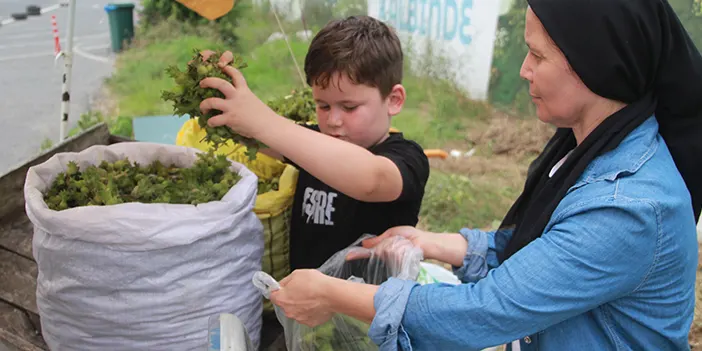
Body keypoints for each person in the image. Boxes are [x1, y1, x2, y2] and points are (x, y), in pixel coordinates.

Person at [266, 0, 702, 350]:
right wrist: (436, 243)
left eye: (537, 54)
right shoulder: (587, 149)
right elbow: (532, 252)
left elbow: (482, 312)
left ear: (596, 64)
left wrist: (333, 295)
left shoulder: (624, 207)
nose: (523, 70)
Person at [198, 16, 430, 272]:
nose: (332, 120)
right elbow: (248, 133)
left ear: (394, 100)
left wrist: (266, 122)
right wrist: (213, 89)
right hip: (304, 305)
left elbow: (372, 180)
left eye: (349, 107)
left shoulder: (407, 158)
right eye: (323, 105)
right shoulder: (313, 143)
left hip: (369, 309)